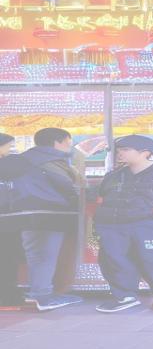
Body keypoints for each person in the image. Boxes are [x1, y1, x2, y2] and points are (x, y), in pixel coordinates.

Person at [94, 135, 153, 312]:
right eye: (120, 150)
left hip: (146, 224)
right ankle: (124, 296)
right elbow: (102, 195)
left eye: (126, 150)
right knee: (112, 260)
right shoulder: (115, 175)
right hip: (112, 225)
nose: (120, 154)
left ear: (145, 153)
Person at [14, 128, 85, 311]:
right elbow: (69, 187)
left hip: (27, 213)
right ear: (58, 142)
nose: (70, 146)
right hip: (48, 214)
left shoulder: (23, 159)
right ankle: (42, 296)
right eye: (68, 142)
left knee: (37, 254)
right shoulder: (50, 161)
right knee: (44, 255)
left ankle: (40, 292)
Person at [0, 132, 21, 306]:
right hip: (7, 220)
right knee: (7, 257)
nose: (11, 149)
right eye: (9, 145)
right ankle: (7, 296)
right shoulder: (9, 165)